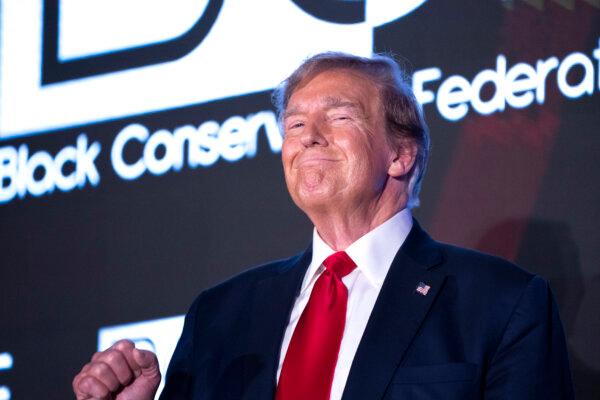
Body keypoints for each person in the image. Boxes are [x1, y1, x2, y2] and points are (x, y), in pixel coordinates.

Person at [72, 52, 574, 400]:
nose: (308, 137)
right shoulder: (219, 317)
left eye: (338, 117)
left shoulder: (500, 303)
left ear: (401, 154)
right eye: (294, 124)